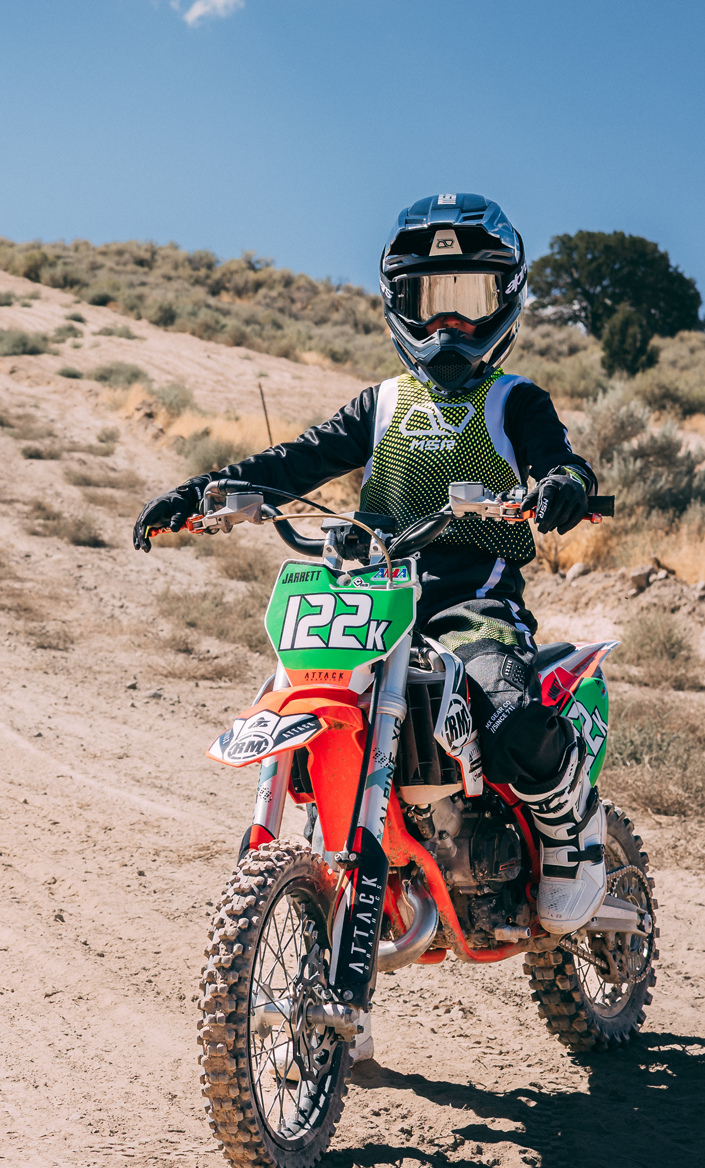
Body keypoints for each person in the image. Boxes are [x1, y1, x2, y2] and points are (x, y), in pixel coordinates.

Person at [131, 192, 605, 936]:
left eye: (469, 299)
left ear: (505, 302)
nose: (449, 323)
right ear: (398, 304)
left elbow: (562, 461)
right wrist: (208, 492)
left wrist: (562, 487)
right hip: (371, 602)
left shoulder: (515, 401)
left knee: (510, 713)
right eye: (430, 301)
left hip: (469, 607)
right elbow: (299, 459)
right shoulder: (379, 404)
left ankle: (569, 830)